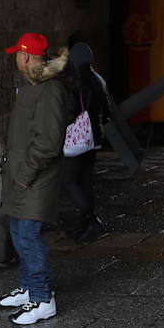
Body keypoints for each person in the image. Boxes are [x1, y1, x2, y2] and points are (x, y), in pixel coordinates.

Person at [0, 32, 70, 325]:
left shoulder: (48, 89)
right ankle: (28, 289)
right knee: (18, 232)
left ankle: (42, 298)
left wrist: (25, 174)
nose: (15, 57)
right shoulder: (32, 85)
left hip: (34, 178)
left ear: (26, 56)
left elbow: (49, 142)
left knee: (29, 237)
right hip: (22, 176)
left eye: (17, 53)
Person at [64, 33, 111, 243]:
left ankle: (90, 220)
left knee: (71, 181)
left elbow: (71, 111)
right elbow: (106, 111)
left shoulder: (75, 81)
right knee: (85, 180)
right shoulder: (98, 79)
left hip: (78, 137)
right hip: (94, 137)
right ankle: (83, 224)